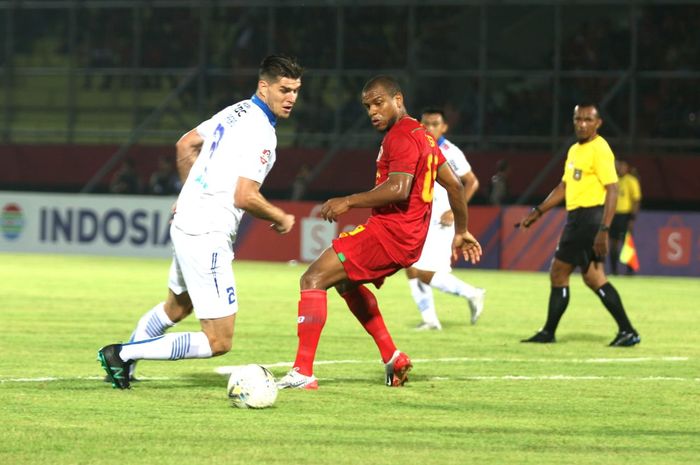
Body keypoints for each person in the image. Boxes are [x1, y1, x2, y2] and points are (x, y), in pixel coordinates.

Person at [97, 54, 304, 389]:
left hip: (186, 222)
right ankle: (121, 353)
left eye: (296, 90)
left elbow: (186, 144)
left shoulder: (236, 110)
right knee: (219, 340)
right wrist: (279, 216)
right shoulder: (262, 132)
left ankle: (124, 365)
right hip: (208, 232)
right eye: (284, 89)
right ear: (264, 87)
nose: (291, 98)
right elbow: (245, 196)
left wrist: (189, 192)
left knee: (176, 308)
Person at [276, 75, 483, 390]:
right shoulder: (424, 136)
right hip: (405, 236)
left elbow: (398, 189)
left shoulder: (400, 137)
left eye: (378, 102)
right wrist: (463, 230)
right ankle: (393, 357)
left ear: (397, 99)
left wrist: (348, 201)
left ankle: (303, 372)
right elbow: (454, 185)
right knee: (345, 282)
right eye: (367, 106)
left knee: (312, 278)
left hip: (391, 233)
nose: (373, 111)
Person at [519, 103, 640, 347]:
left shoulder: (600, 148)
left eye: (588, 119)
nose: (582, 124)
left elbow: (613, 189)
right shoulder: (575, 150)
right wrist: (539, 210)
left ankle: (548, 332)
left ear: (598, 123)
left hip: (590, 219)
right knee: (594, 278)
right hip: (579, 219)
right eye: (578, 119)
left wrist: (604, 229)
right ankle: (628, 331)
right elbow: (564, 186)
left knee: (559, 272)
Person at [405, 107, 485, 331]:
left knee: (423, 270)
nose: (429, 128)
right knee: (410, 266)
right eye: (426, 124)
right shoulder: (417, 148)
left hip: (441, 220)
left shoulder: (450, 151)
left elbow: (472, 182)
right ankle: (430, 319)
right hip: (421, 217)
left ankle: (473, 293)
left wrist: (454, 210)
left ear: (444, 127)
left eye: (434, 124)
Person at [609, 159, 641, 275]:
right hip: (613, 215)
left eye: (623, 166)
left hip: (625, 216)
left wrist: (632, 218)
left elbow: (636, 200)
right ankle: (614, 271)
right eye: (619, 166)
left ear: (627, 168)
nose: (620, 168)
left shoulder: (631, 181)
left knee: (627, 244)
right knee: (613, 244)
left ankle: (629, 271)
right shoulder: (613, 180)